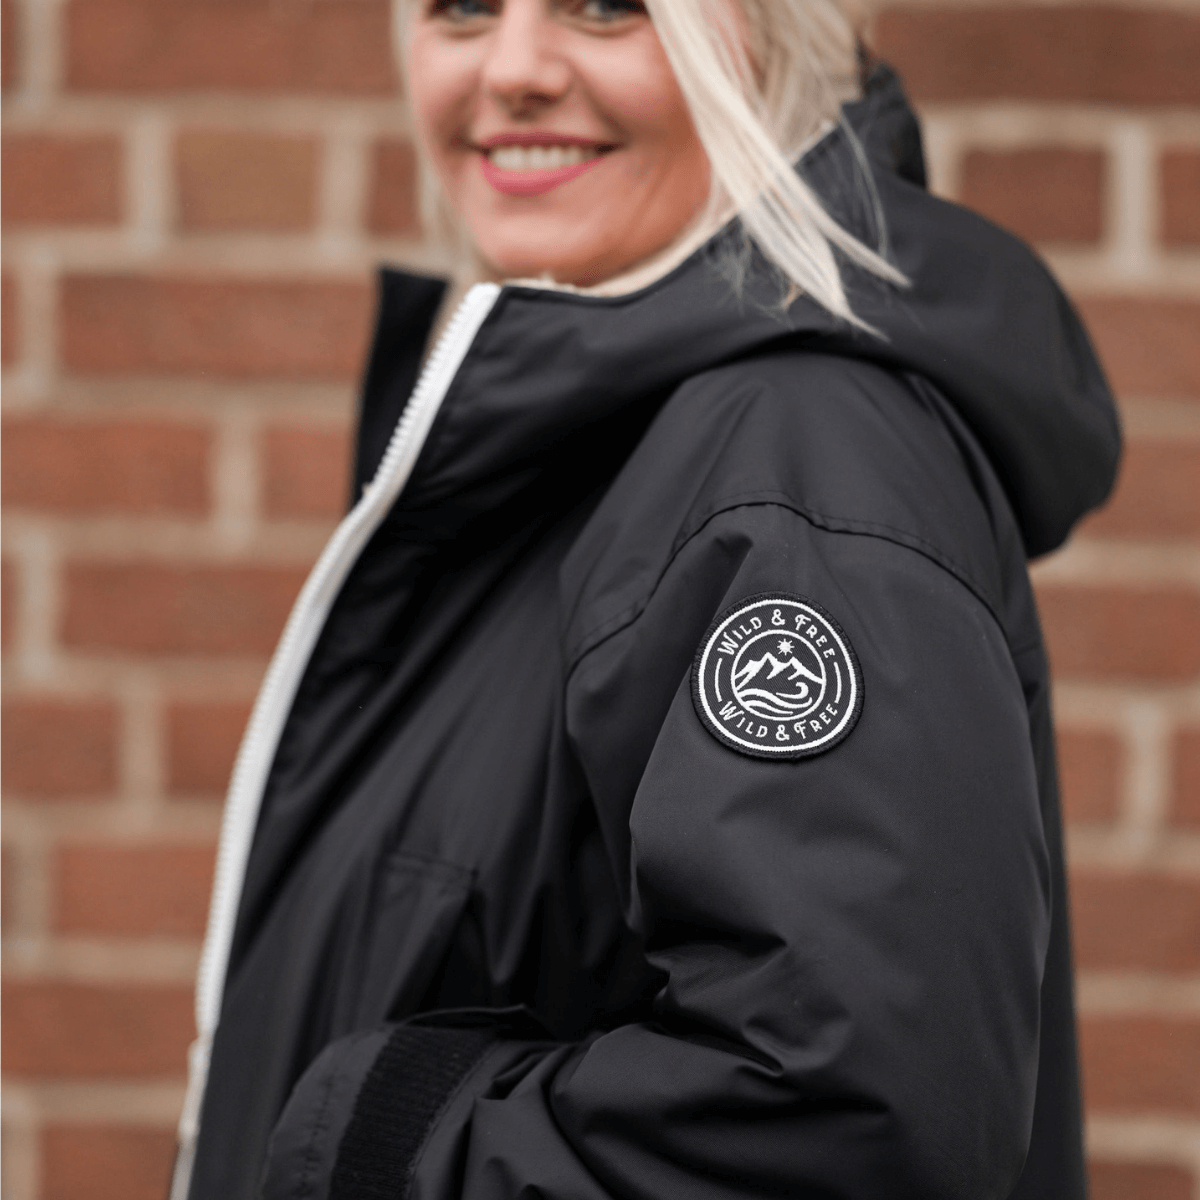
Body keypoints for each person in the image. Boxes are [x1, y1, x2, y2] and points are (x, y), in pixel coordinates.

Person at [171, 1, 1120, 1197]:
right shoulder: (590, 439)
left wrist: (385, 1151)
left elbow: (837, 1133)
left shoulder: (795, 467)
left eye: (609, 5)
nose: (512, 69)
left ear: (779, 40)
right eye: (463, 6)